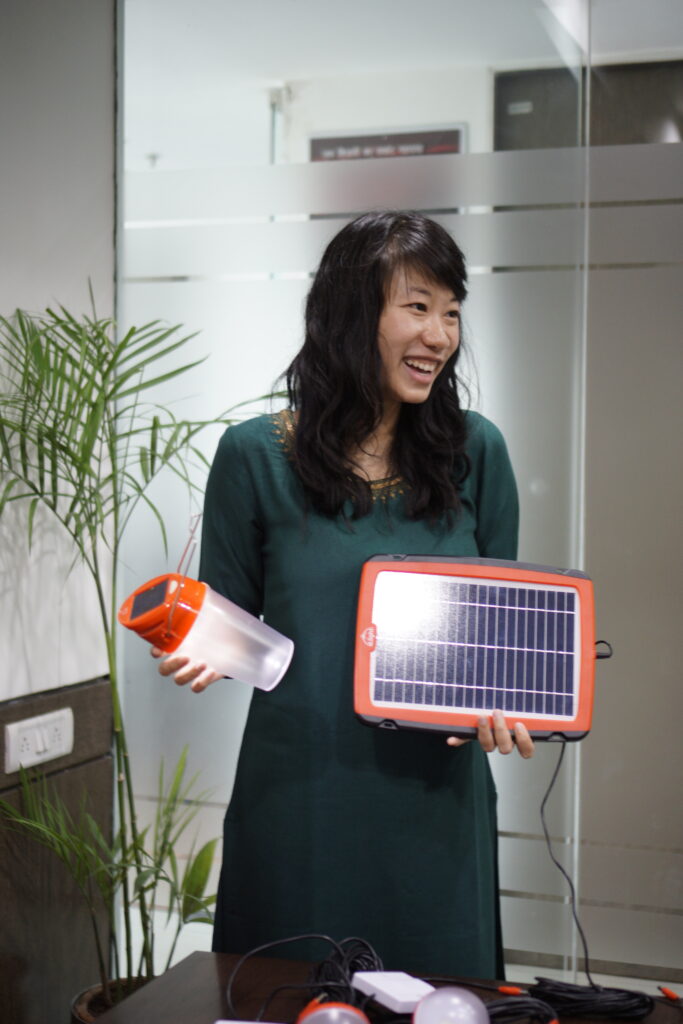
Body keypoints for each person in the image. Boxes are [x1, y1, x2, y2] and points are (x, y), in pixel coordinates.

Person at [155, 211, 534, 979]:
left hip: (436, 807)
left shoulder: (477, 453)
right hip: (300, 801)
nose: (440, 334)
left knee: (441, 999)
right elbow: (228, 620)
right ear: (352, 313)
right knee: (286, 992)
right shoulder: (253, 456)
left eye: (452, 312)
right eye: (418, 307)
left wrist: (503, 704)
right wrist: (203, 647)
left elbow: (503, 639)